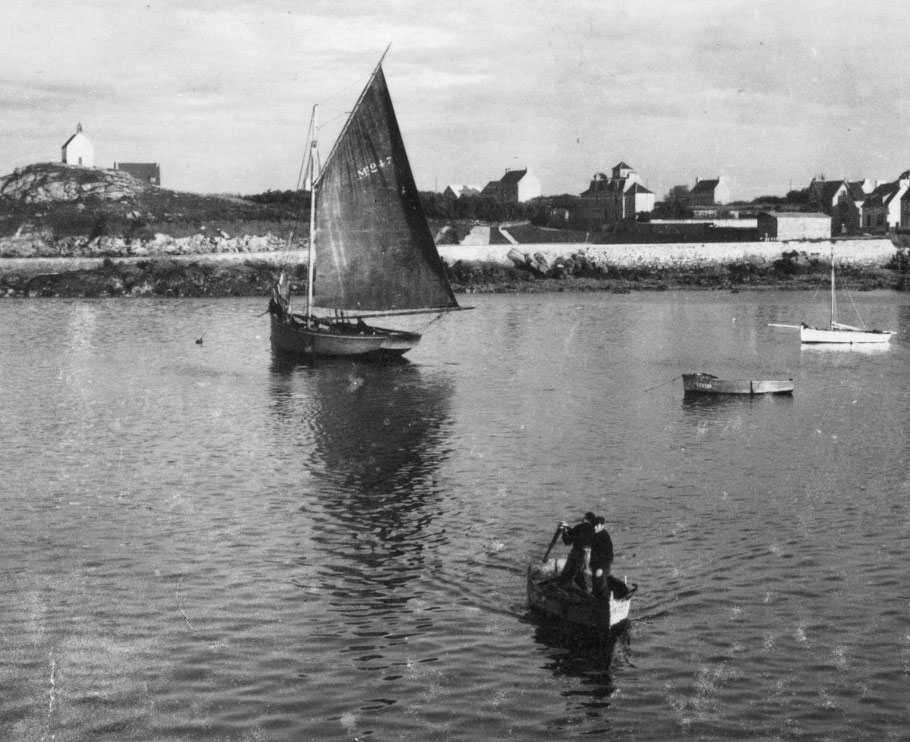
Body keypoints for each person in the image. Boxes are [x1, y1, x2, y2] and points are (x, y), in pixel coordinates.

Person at [558, 512, 596, 589]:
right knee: (585, 574)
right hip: (592, 555)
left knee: (566, 577)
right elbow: (580, 535)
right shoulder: (595, 529)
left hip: (578, 554)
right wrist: (568, 527)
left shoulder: (579, 527)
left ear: (585, 519)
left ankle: (564, 589)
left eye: (583, 518)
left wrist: (563, 531)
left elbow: (568, 541)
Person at [590, 516, 614, 599]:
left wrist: (601, 568)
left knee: (601, 587)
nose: (595, 527)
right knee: (595, 586)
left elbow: (609, 556)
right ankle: (595, 600)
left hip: (602, 567)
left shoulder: (605, 538)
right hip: (595, 565)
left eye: (597, 525)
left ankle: (604, 603)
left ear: (603, 526)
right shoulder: (595, 533)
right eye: (594, 525)